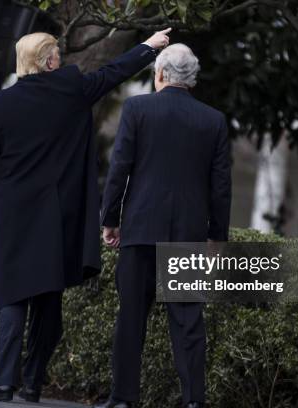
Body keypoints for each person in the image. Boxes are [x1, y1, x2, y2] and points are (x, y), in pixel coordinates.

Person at [0, 29, 171, 403]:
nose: (61, 59)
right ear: (47, 61)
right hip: (57, 215)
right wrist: (149, 46)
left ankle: (3, 381)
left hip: (13, 214)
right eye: (57, 54)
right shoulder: (72, 90)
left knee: (12, 297)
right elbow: (114, 72)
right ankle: (32, 382)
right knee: (48, 297)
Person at [97, 44, 232, 408]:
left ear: (159, 74)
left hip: (140, 229)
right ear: (192, 78)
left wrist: (110, 219)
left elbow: (119, 169)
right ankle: (193, 401)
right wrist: (217, 236)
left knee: (131, 319)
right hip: (188, 235)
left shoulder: (138, 109)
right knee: (189, 323)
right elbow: (221, 186)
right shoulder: (213, 121)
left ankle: (124, 398)